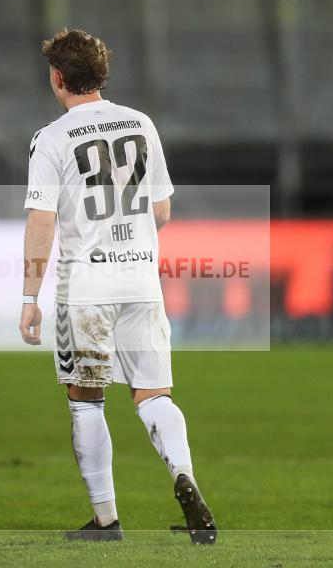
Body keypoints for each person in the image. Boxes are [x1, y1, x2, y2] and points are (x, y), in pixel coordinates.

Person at [19, 30, 216, 544]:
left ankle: (106, 521)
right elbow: (162, 211)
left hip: (86, 287)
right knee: (153, 395)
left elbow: (41, 222)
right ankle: (184, 475)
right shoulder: (141, 124)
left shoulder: (53, 138)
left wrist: (28, 297)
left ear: (59, 78)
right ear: (101, 75)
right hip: (141, 281)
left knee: (86, 399)